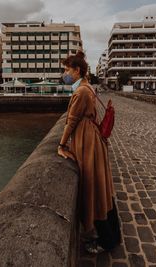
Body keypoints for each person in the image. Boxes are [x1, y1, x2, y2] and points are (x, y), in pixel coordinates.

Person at [57, 51, 121, 253]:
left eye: (67, 70)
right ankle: (113, 236)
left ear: (77, 70)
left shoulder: (81, 91)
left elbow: (71, 121)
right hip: (92, 139)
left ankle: (107, 242)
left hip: (88, 142)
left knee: (94, 190)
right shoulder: (87, 87)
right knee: (101, 191)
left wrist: (60, 145)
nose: (65, 74)